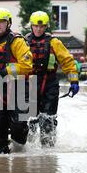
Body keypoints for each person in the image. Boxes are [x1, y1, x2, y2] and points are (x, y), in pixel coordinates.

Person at [25, 11, 79, 146]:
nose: (38, 29)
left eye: (42, 26)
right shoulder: (23, 43)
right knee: (28, 120)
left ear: (46, 26)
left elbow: (68, 62)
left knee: (48, 119)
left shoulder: (54, 43)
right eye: (36, 26)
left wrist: (74, 81)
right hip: (29, 84)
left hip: (49, 83)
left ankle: (48, 150)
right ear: (31, 26)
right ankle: (26, 148)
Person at [0, 8, 33, 154]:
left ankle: (20, 150)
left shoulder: (17, 42)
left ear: (8, 23)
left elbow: (26, 65)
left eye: (1, 22)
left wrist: (6, 70)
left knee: (18, 124)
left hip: (17, 87)